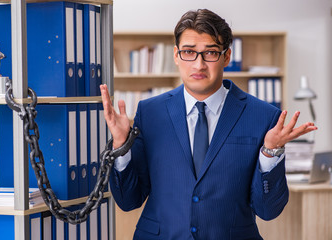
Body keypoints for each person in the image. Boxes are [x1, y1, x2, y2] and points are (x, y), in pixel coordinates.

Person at [100, 9, 317, 240]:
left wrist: (270, 153)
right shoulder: (149, 112)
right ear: (176, 55)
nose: (199, 64)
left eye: (210, 53)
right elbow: (128, 201)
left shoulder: (263, 116)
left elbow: (268, 210)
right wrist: (121, 146)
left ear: (226, 56)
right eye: (189, 52)